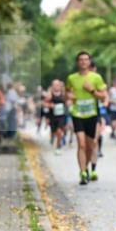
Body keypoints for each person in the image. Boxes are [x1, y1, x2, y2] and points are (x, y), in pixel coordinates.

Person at [66, 51, 108, 185]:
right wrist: (69, 97)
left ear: (89, 62)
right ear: (78, 62)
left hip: (92, 114)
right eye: (81, 60)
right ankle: (83, 172)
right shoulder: (72, 78)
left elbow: (103, 96)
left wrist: (91, 91)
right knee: (81, 143)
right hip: (77, 114)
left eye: (86, 59)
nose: (83, 62)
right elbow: (67, 93)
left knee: (91, 146)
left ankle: (88, 167)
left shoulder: (96, 78)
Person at [46, 80, 69, 155]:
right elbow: (45, 103)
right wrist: (50, 105)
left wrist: (68, 104)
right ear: (52, 86)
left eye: (58, 85)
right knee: (54, 132)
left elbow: (67, 102)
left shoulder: (63, 94)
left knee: (59, 132)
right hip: (52, 116)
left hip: (61, 116)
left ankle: (58, 147)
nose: (56, 86)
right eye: (54, 85)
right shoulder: (50, 94)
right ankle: (53, 138)